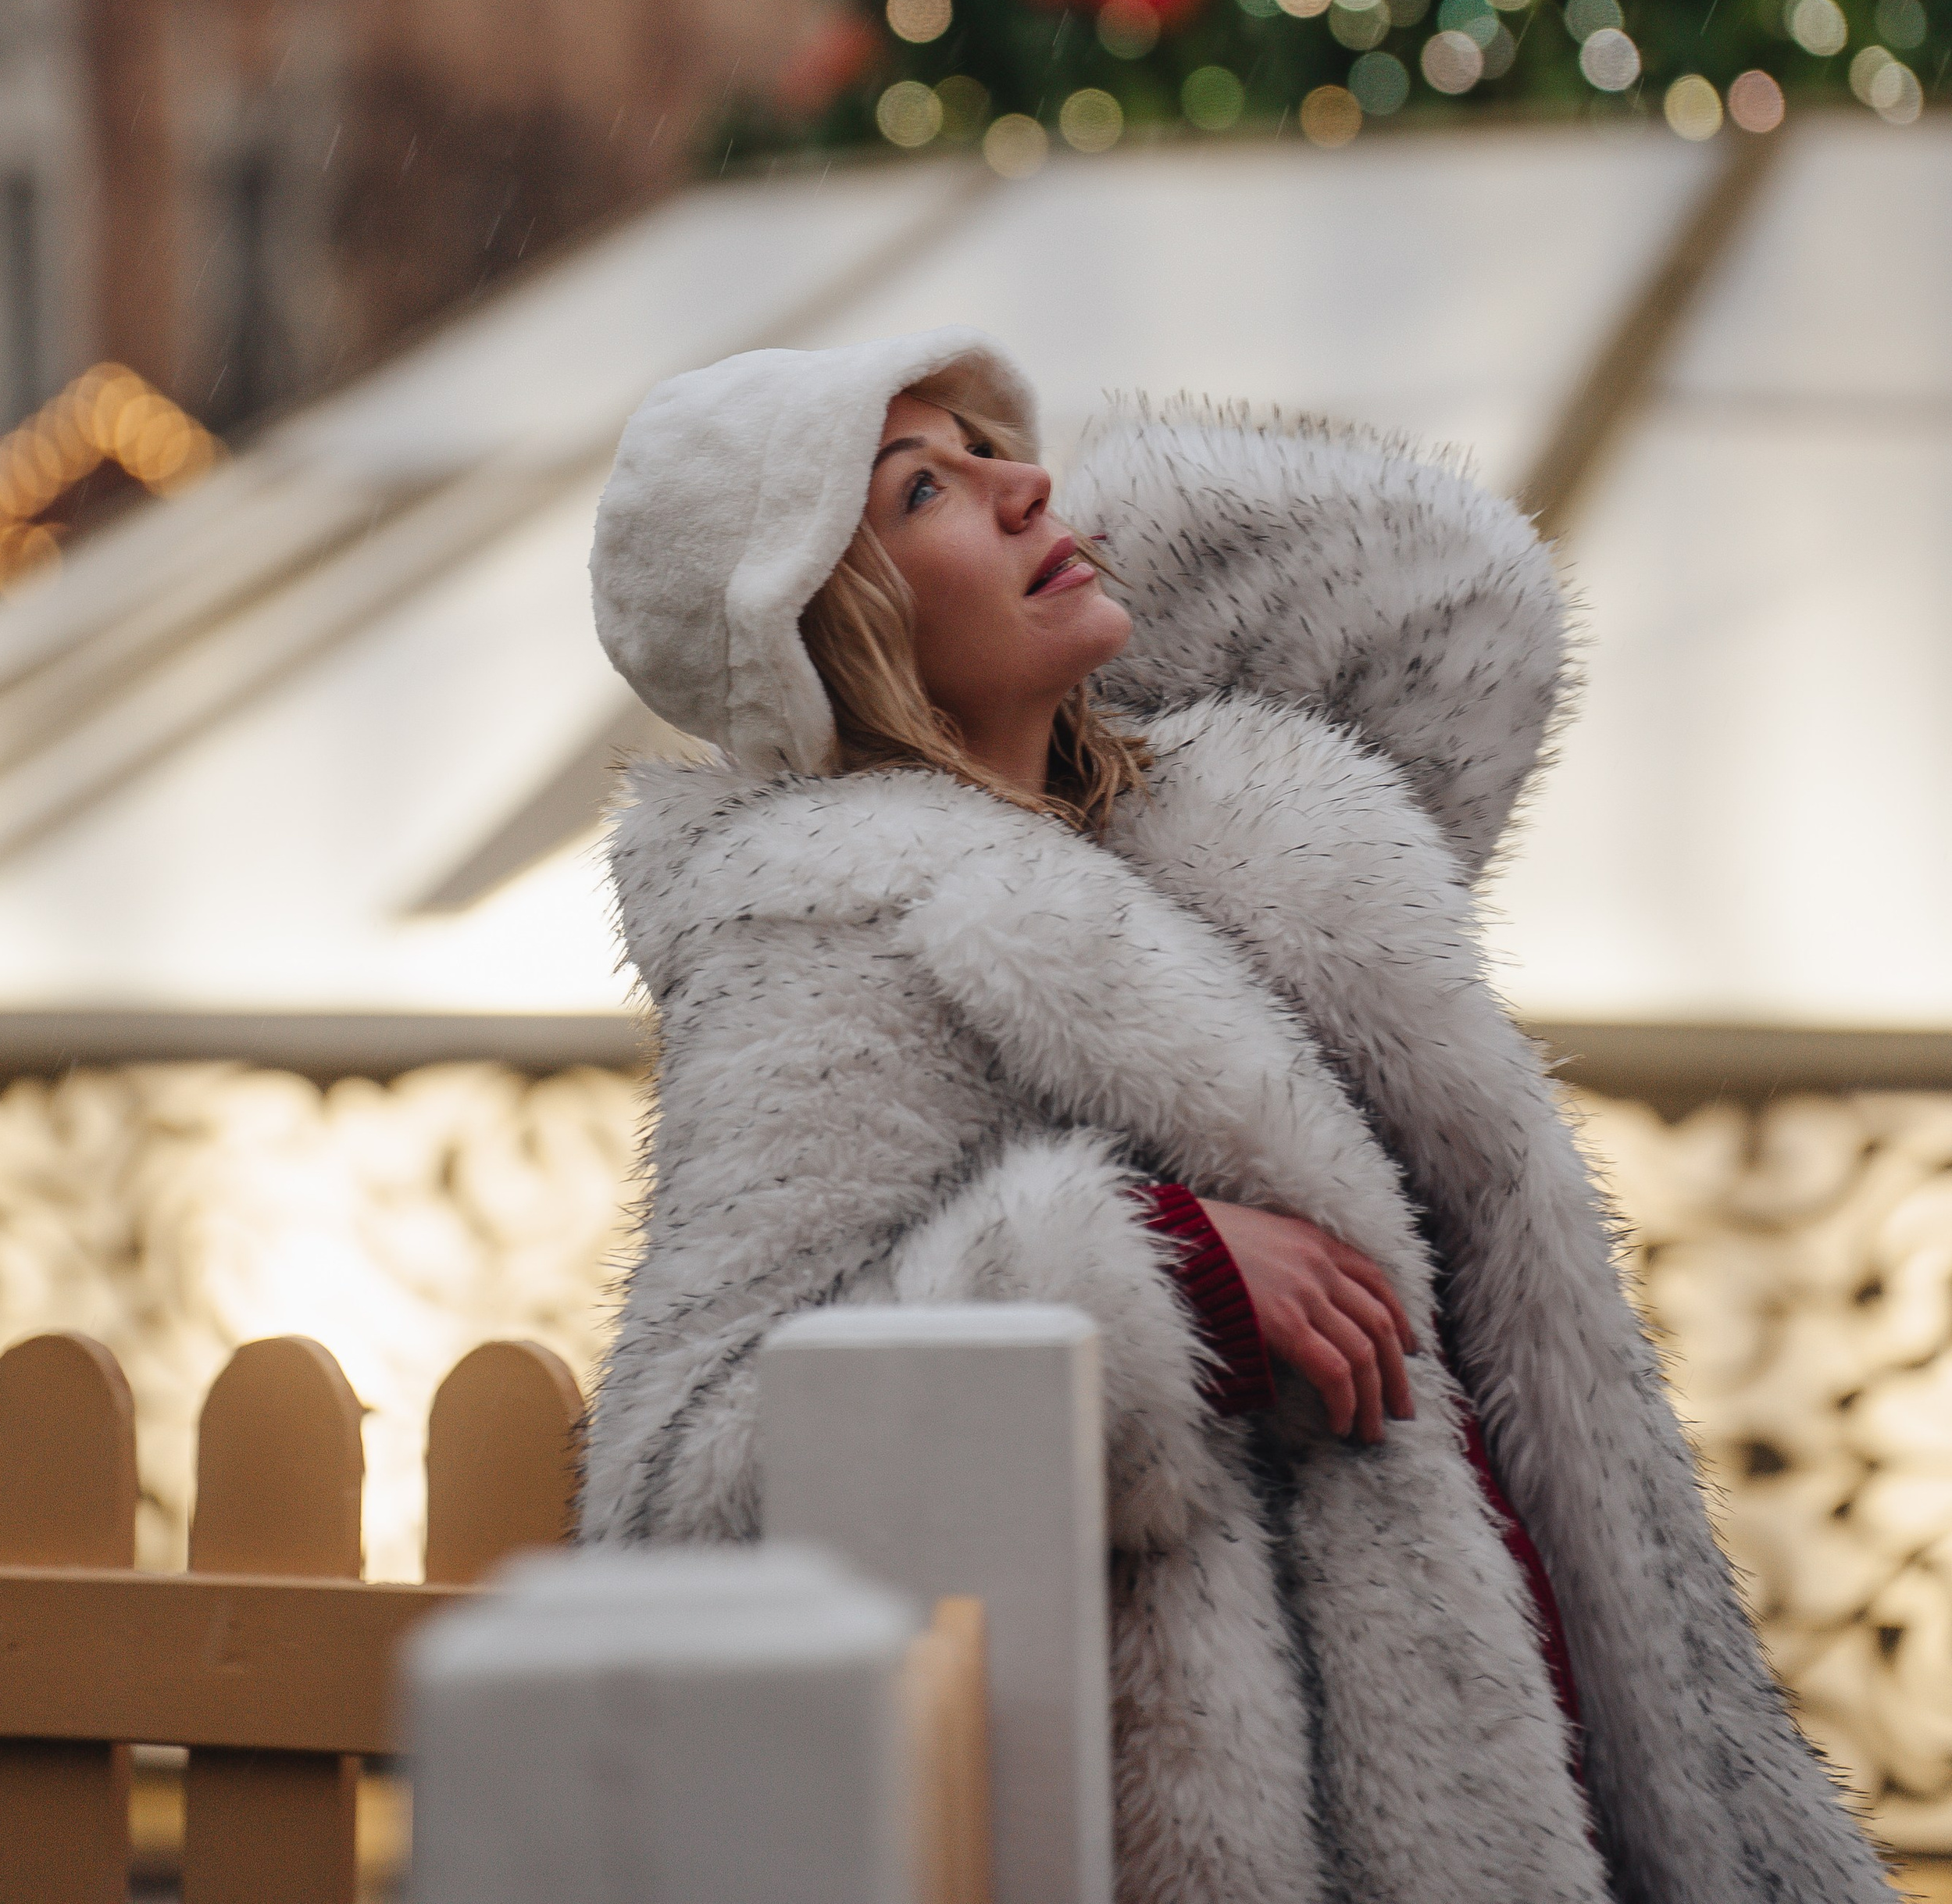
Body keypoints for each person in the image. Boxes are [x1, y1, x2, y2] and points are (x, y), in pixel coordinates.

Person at [580, 329, 1884, 1904]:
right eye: (922, 485)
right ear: (822, 625)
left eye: (995, 444)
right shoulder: (826, 950)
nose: (1022, 483)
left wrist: (1068, 541)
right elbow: (687, 1499)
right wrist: (1143, 1271)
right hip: (1244, 1828)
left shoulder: (1213, 820)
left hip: (1580, 1744)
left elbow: (1452, 612)